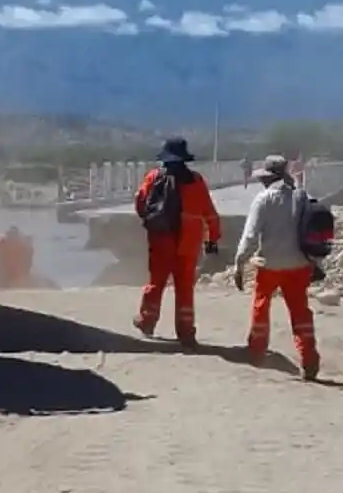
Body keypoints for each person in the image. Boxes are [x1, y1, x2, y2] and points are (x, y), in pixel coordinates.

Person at [232, 154, 320, 381]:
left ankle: (257, 350)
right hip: (299, 265)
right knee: (300, 312)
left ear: (268, 178)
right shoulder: (302, 197)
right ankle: (309, 358)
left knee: (261, 305)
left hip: (269, 264)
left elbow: (250, 236)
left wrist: (240, 263)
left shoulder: (263, 200)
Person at [133, 137, 222, 347]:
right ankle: (186, 332)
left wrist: (151, 223)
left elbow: (140, 202)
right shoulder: (196, 181)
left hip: (161, 240)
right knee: (184, 289)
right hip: (188, 243)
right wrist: (212, 238)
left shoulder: (154, 177)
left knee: (156, 283)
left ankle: (147, 321)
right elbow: (210, 213)